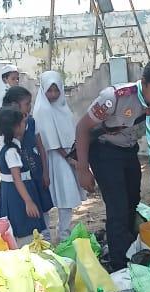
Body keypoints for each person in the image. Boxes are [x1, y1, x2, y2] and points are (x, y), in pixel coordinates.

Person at [75, 58, 150, 271]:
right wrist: (83, 169)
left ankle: (127, 247)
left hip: (128, 151)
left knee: (133, 201)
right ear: (144, 83)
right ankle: (120, 266)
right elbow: (82, 128)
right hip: (103, 150)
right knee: (118, 208)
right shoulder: (114, 98)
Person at [33, 71, 87, 241]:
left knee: (66, 196)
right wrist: (68, 157)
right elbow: (49, 140)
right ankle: (46, 235)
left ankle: (64, 232)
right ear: (43, 90)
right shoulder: (42, 109)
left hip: (67, 155)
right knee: (51, 197)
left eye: (57, 90)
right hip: (51, 159)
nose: (54, 95)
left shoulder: (62, 106)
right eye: (50, 91)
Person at [4, 86, 53, 240]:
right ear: (14, 105)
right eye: (26, 104)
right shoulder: (9, 126)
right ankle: (33, 240)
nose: (30, 107)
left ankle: (46, 237)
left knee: (42, 206)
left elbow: (40, 147)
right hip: (23, 176)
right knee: (28, 208)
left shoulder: (31, 122)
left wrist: (45, 172)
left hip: (36, 172)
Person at [0, 106, 47, 246]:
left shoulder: (1, 144)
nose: (25, 124)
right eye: (23, 123)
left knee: (16, 226)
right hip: (18, 193)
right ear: (16, 127)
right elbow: (17, 179)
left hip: (10, 190)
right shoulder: (11, 150)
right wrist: (28, 201)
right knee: (24, 226)